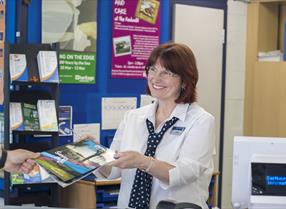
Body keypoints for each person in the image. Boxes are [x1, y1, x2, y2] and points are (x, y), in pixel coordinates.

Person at [96, 42, 215, 209]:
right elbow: (112, 171)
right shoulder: (133, 117)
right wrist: (93, 157)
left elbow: (183, 174)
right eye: (152, 69)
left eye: (166, 73)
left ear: (184, 80)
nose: (155, 78)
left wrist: (142, 162)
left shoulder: (201, 121)